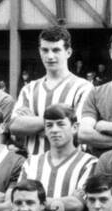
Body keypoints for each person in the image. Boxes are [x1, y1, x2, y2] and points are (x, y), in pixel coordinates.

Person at [8, 28, 94, 156]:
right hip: (34, 166)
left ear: (68, 52)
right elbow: (15, 127)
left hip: (71, 165)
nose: (50, 56)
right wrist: (61, 123)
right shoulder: (29, 89)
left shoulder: (83, 87)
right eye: (45, 50)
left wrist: (32, 123)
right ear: (39, 51)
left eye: (56, 50)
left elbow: (79, 132)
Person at [22, 105, 98, 211]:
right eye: (49, 125)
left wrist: (32, 201)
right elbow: (18, 205)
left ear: (75, 127)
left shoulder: (89, 163)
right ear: (45, 130)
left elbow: (76, 206)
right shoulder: (31, 162)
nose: (54, 130)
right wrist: (62, 205)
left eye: (61, 124)